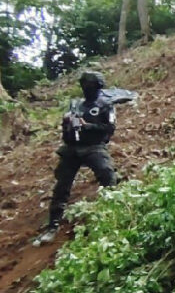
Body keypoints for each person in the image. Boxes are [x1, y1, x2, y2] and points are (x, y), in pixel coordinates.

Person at [34, 71, 117, 245]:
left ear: (97, 87)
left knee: (106, 173)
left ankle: (112, 212)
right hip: (72, 147)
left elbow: (108, 128)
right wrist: (68, 122)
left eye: (90, 86)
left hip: (93, 146)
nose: (86, 88)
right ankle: (53, 225)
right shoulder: (75, 104)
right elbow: (65, 127)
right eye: (84, 85)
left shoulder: (105, 105)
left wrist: (87, 126)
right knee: (62, 185)